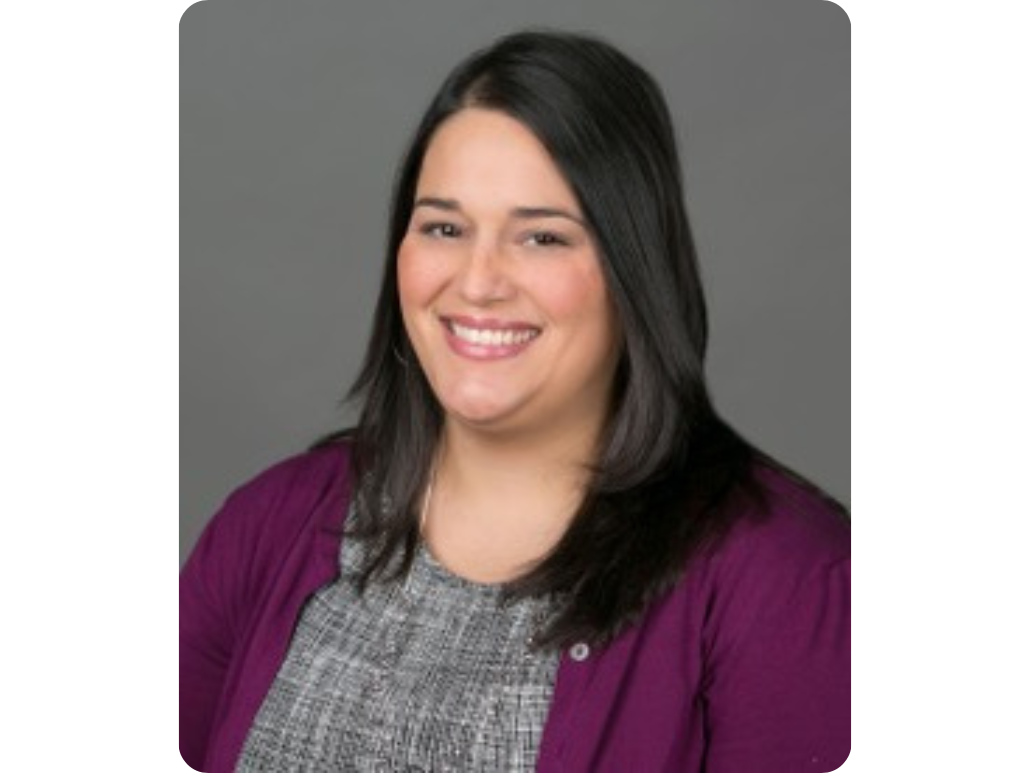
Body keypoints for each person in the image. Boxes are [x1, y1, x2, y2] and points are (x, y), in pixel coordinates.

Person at [180, 29, 850, 773]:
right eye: (444, 227)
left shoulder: (788, 584)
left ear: (636, 269)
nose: (478, 281)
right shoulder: (265, 525)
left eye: (542, 238)